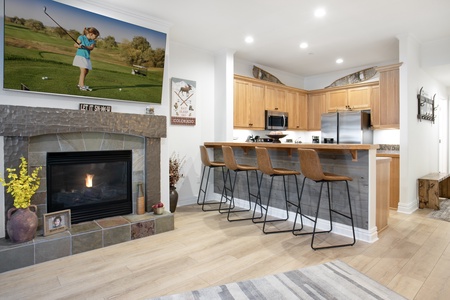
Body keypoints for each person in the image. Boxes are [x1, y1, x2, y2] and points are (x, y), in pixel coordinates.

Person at [72, 27, 100, 91]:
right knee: (83, 70)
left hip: (86, 57)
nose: (96, 37)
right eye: (96, 36)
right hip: (80, 56)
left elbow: (91, 48)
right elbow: (75, 45)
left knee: (86, 71)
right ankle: (82, 86)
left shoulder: (92, 41)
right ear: (91, 34)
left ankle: (79, 84)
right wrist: (78, 46)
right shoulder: (81, 37)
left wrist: (84, 46)